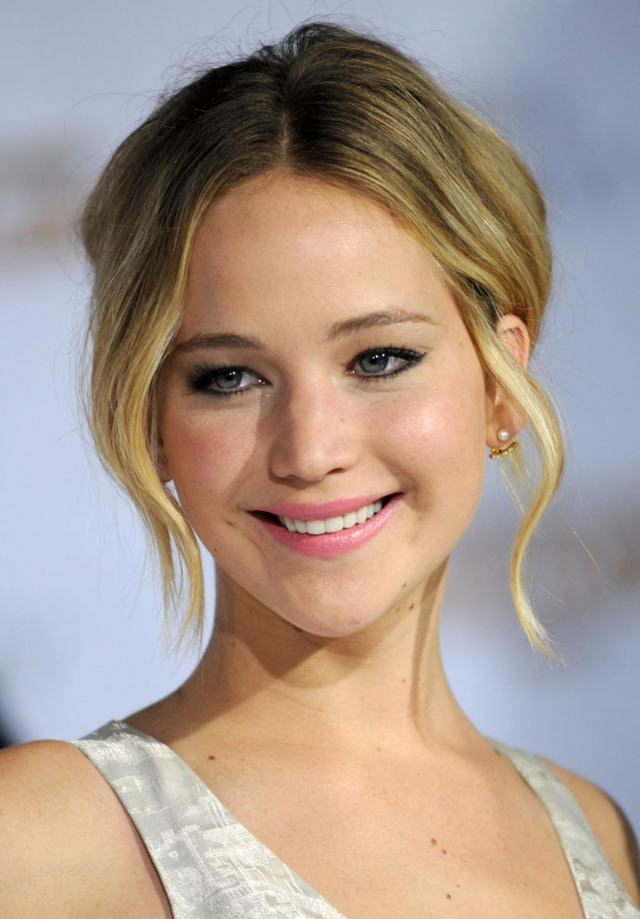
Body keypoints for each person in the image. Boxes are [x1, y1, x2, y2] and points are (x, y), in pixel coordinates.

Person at [1, 19, 638, 919]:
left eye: (379, 359)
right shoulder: (34, 841)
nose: (309, 449)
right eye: (229, 376)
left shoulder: (598, 831)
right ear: (150, 419)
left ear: (501, 385)